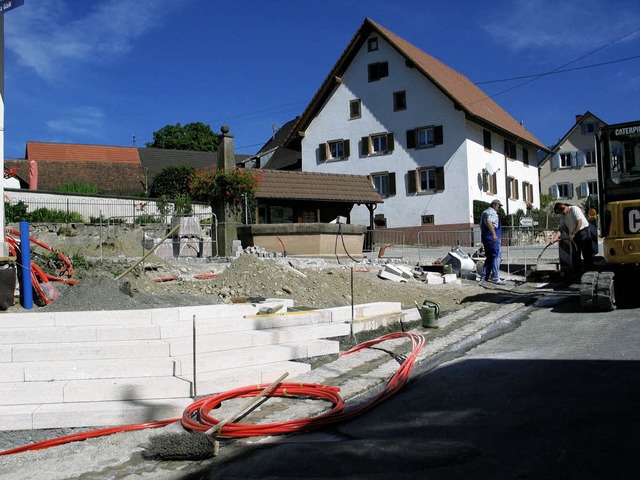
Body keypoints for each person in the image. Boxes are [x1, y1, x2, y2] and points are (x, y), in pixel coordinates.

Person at [549, 202, 593, 275]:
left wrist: (573, 233)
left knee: (586, 253)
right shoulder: (563, 216)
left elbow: (579, 222)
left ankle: (589, 272)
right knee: (575, 254)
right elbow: (560, 229)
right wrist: (554, 239)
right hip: (574, 234)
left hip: (583, 231)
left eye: (561, 212)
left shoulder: (574, 209)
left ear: (564, 207)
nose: (562, 214)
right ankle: (578, 272)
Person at [480, 199, 505, 285]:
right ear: (494, 205)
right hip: (492, 237)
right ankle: (495, 277)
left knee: (490, 257)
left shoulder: (484, 212)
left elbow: (481, 225)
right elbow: (489, 222)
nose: (499, 208)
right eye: (499, 206)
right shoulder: (491, 212)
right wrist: (494, 234)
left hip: (486, 236)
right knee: (496, 256)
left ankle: (484, 276)